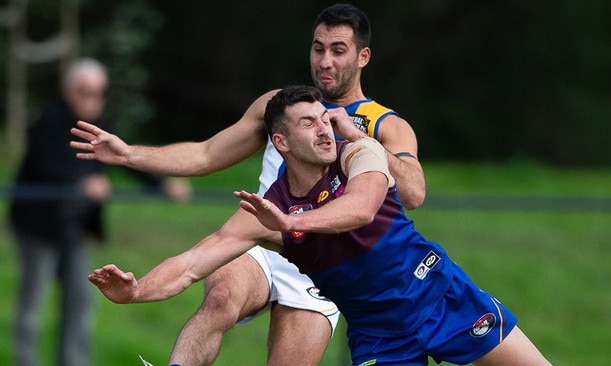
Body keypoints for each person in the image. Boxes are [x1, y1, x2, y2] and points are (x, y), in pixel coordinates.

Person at [88, 85, 551, 365]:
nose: (327, 128)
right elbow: (193, 262)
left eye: (327, 119)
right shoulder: (267, 210)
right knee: (220, 294)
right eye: (310, 123)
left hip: (440, 295)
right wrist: (135, 291)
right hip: (378, 333)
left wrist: (291, 222)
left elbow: (363, 209)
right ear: (280, 142)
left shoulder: (359, 152)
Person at [71, 4, 425, 366]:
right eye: (318, 48)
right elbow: (205, 155)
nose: (324, 61)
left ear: (363, 56)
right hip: (262, 241)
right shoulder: (280, 108)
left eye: (338, 51)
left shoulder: (383, 125)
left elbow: (414, 192)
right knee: (219, 299)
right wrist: (129, 155)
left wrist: (363, 142)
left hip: (323, 269)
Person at [8, 58, 190, 366]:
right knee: (32, 302)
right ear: (68, 91)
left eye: (99, 92)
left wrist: (161, 185)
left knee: (80, 299)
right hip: (37, 228)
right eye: (85, 92)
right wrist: (82, 183)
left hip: (77, 229)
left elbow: (126, 157)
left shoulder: (99, 124)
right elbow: (44, 165)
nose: (93, 100)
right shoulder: (49, 121)